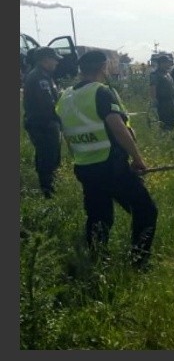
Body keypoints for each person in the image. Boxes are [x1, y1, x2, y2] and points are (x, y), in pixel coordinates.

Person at [55, 50, 159, 269]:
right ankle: (138, 262)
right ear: (103, 67)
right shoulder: (101, 92)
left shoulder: (64, 96)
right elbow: (118, 128)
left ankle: (96, 260)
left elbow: (66, 133)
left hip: (84, 166)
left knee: (98, 215)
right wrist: (137, 159)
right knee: (145, 209)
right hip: (110, 166)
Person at [22, 47, 63, 198]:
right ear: (45, 60)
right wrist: (60, 116)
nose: (57, 62)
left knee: (51, 156)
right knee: (47, 156)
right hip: (43, 124)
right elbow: (47, 104)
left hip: (45, 123)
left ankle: (52, 187)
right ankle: (48, 190)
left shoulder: (44, 75)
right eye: (54, 59)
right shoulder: (39, 77)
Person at [149, 55, 174, 131]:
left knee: (172, 121)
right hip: (163, 102)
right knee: (165, 122)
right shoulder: (155, 74)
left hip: (171, 100)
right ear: (160, 63)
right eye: (165, 63)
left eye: (168, 63)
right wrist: (154, 100)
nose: (167, 64)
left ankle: (171, 137)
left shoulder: (168, 74)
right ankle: (165, 137)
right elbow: (153, 87)